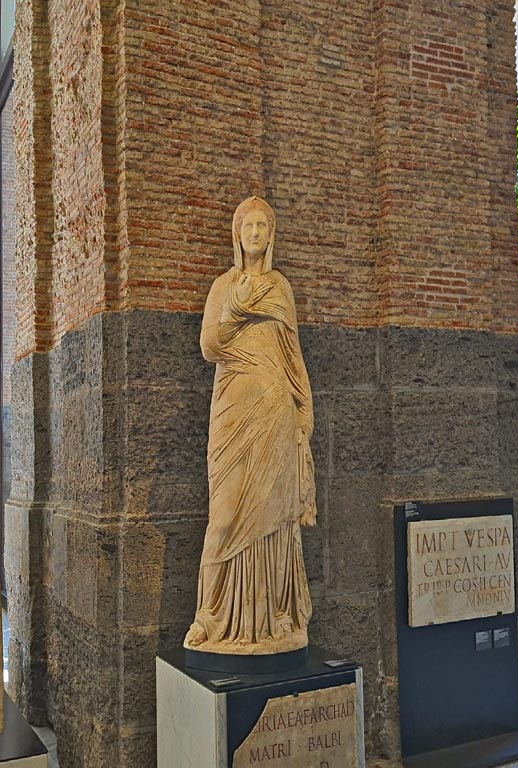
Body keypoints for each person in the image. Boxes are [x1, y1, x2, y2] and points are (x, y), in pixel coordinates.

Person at [184, 197, 316, 654]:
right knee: (222, 518)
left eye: (263, 225)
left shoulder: (280, 287)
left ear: (270, 233)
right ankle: (211, 615)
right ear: (237, 234)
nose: (256, 232)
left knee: (276, 519)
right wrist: (237, 310)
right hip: (233, 409)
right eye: (248, 225)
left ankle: (276, 617)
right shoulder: (223, 286)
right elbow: (208, 345)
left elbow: (293, 356)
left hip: (276, 409)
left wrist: (304, 409)